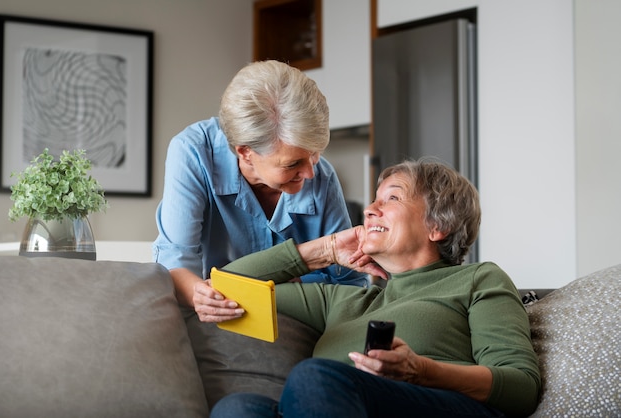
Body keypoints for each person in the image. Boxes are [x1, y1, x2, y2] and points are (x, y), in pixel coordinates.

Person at [194, 159, 541, 418]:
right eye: (374, 200)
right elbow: (225, 289)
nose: (371, 210)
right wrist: (324, 251)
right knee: (239, 409)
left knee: (316, 378)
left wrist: (421, 371)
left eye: (392, 198)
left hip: (441, 406)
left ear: (437, 225)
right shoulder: (342, 300)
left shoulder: (478, 279)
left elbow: (521, 387)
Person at [153, 60, 368, 311]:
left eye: (315, 154)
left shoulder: (322, 176)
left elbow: (350, 283)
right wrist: (201, 296)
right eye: (293, 163)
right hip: (215, 318)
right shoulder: (193, 153)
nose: (311, 172)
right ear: (245, 152)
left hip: (297, 318)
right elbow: (177, 262)